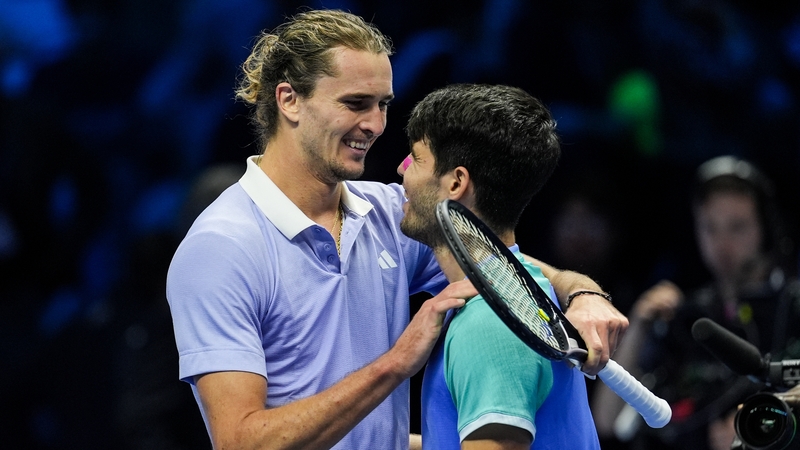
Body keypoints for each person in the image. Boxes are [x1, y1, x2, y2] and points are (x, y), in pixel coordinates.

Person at [166, 9, 627, 450]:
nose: (375, 125)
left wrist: (583, 294)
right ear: (288, 100)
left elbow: (500, 266)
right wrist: (395, 363)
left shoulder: (391, 212)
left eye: (383, 104)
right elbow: (240, 441)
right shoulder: (220, 248)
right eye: (355, 104)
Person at [396, 83, 602, 449]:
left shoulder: (489, 325)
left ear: (457, 182)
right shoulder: (526, 287)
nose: (402, 169)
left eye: (417, 158)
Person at [591, 155, 800, 450]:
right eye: (709, 228)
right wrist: (638, 324)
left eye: (737, 227)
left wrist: (760, 426)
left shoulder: (792, 308)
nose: (722, 244)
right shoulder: (684, 314)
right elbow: (608, 420)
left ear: (765, 229)